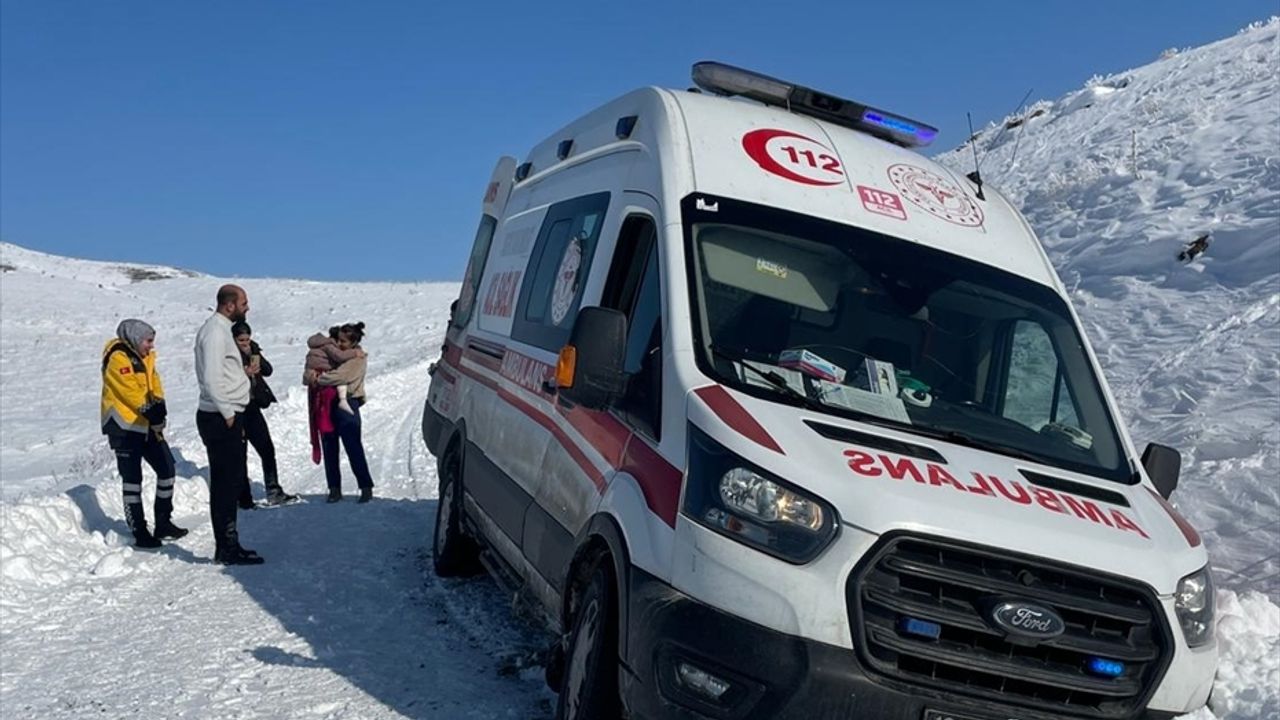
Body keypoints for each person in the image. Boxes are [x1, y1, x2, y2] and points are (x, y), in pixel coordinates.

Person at [100, 319, 189, 548]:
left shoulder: (147, 357)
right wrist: (149, 409)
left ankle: (163, 521)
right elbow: (127, 388)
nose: (151, 346)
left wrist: (159, 404)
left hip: (146, 425)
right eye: (148, 341)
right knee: (132, 481)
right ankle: (139, 529)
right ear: (136, 338)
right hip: (124, 427)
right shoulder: (118, 356)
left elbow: (154, 383)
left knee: (167, 468)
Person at [194, 284, 264, 565]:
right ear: (230, 305)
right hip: (219, 417)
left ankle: (230, 543)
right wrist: (228, 414)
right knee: (224, 485)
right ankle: (225, 547)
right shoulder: (214, 332)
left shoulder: (223, 330)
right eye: (244, 302)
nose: (248, 307)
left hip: (229, 414)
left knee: (231, 482)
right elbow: (211, 379)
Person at [231, 321, 298, 508]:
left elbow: (268, 371)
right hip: (238, 406)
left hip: (253, 406)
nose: (244, 343)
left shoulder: (252, 350)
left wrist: (256, 356)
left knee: (267, 449)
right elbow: (226, 380)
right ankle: (244, 498)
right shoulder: (229, 355)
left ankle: (273, 490)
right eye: (241, 340)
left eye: (247, 339)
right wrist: (243, 372)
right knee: (240, 454)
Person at [312, 322, 374, 503]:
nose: (338, 345)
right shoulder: (334, 355)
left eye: (343, 342)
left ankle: (365, 486)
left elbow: (341, 376)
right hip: (328, 403)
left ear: (354, 343)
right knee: (329, 446)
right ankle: (334, 488)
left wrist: (320, 378)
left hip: (348, 403)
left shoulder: (357, 359)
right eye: (337, 340)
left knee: (353, 447)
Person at [305, 327, 359, 414]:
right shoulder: (329, 346)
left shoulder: (319, 345)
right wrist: (355, 352)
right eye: (339, 340)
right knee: (325, 405)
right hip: (322, 375)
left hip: (312, 376)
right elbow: (340, 356)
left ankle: (317, 426)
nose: (340, 344)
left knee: (315, 407)